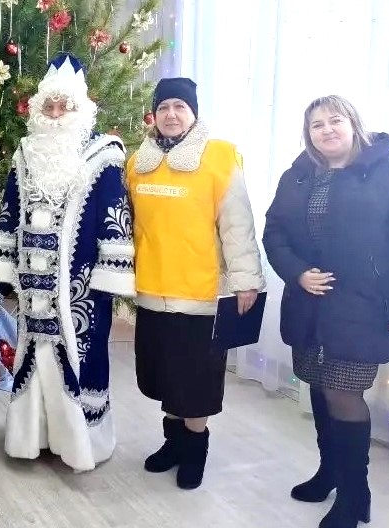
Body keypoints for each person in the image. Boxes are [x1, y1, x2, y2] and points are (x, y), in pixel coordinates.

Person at [263, 95, 389, 528]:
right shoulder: (298, 175)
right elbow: (274, 232)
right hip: (309, 305)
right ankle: (330, 472)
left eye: (335, 120)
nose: (326, 130)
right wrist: (297, 273)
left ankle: (356, 496)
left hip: (365, 306)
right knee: (318, 387)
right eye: (316, 125)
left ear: (354, 124)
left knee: (343, 393)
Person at [0, 53, 135, 472]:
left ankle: (82, 442)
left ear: (80, 109)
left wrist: (110, 276)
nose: (55, 115)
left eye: (63, 107)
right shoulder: (24, 153)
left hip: (82, 284)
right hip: (32, 285)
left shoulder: (105, 154)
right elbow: (10, 210)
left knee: (84, 356)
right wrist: (4, 266)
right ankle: (34, 437)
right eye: (49, 106)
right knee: (33, 354)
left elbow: (115, 214)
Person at [126, 78, 265, 489]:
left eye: (180, 107)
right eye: (163, 107)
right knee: (164, 376)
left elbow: (237, 224)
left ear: (194, 113)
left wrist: (246, 281)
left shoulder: (220, 157)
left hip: (201, 295)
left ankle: (194, 451)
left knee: (196, 382)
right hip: (152, 291)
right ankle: (173, 444)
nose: (171, 114)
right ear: (154, 114)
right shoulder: (137, 163)